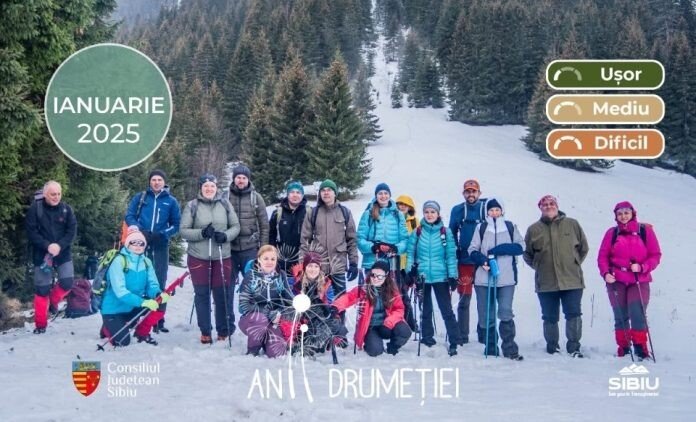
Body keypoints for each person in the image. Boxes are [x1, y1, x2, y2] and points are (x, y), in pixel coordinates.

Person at [524, 195, 589, 357]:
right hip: (546, 281)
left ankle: (574, 347)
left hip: (571, 280)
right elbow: (527, 254)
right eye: (544, 204)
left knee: (573, 313)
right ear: (540, 208)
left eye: (551, 203)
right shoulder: (533, 229)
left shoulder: (572, 224)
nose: (548, 206)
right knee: (549, 316)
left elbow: (583, 248)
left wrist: (574, 262)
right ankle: (552, 347)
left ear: (557, 205)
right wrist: (538, 266)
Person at [180, 174, 241, 344]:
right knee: (202, 294)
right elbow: (183, 230)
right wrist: (201, 233)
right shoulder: (192, 205)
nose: (209, 189)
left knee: (221, 294)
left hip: (221, 255)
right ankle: (205, 330)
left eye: (212, 186)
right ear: (200, 188)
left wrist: (226, 236)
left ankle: (223, 330)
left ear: (216, 188)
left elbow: (236, 226)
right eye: (206, 186)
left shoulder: (225, 204)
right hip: (199, 256)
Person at [597, 201, 661, 359]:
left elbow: (655, 255)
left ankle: (641, 348)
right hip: (616, 279)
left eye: (626, 213)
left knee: (637, 313)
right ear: (616, 216)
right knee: (620, 314)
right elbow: (602, 256)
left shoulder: (645, 231)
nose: (623, 216)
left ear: (633, 213)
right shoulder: (612, 233)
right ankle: (624, 348)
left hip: (639, 279)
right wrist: (605, 273)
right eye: (619, 214)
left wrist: (643, 267)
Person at [468, 198, 525, 360]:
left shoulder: (510, 226)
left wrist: (500, 249)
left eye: (497, 210)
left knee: (505, 311)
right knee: (487, 314)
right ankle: (491, 346)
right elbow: (472, 249)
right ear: (487, 211)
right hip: (483, 278)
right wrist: (482, 260)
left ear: (502, 211)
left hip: (506, 278)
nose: (494, 213)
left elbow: (521, 247)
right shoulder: (481, 227)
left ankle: (510, 348)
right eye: (491, 210)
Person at [124, 169, 180, 333]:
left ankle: (157, 319)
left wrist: (162, 234)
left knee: (159, 281)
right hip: (140, 243)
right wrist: (139, 230)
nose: (156, 182)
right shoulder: (141, 197)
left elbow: (176, 224)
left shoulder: (171, 201)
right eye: (154, 180)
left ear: (164, 182)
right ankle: (134, 316)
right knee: (137, 279)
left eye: (159, 180)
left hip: (160, 244)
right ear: (150, 181)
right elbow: (129, 216)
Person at [407, 200, 460, 355]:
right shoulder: (417, 232)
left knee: (446, 310)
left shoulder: (445, 232)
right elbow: (410, 253)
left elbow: (450, 255)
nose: (429, 215)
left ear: (438, 214)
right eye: (427, 212)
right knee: (425, 309)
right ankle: (427, 337)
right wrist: (410, 271)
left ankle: (454, 339)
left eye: (432, 212)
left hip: (440, 277)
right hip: (422, 276)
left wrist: (452, 275)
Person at [100, 228, 169, 346]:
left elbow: (152, 285)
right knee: (122, 342)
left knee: (160, 303)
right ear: (128, 244)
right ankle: (107, 327)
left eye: (141, 243)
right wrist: (143, 302)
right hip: (113, 309)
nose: (138, 246)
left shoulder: (146, 262)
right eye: (134, 243)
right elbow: (120, 291)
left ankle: (141, 333)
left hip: (132, 307)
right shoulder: (119, 261)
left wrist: (157, 294)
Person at [25, 181, 77, 334]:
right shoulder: (35, 209)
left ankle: (53, 302)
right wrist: (47, 246)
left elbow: (71, 231)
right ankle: (41, 325)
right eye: (53, 194)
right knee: (42, 289)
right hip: (42, 252)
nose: (56, 197)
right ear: (45, 194)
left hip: (63, 251)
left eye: (59, 194)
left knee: (67, 283)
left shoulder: (67, 209)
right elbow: (31, 232)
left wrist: (59, 246)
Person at [332, 260, 412, 356]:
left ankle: (393, 346)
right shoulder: (363, 290)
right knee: (375, 351)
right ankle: (371, 342)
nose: (375, 278)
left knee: (404, 331)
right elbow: (348, 297)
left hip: (387, 326)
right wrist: (336, 306)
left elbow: (399, 309)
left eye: (380, 276)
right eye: (373, 275)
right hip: (371, 327)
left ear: (386, 276)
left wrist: (389, 322)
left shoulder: (392, 291)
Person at [300, 179, 358, 297]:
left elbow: (351, 240)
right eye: (323, 190)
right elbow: (305, 240)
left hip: (338, 265)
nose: (326, 193)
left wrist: (353, 263)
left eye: (329, 190)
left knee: (340, 300)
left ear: (335, 193)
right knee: (318, 299)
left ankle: (339, 311)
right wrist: (302, 264)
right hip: (318, 267)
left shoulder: (344, 212)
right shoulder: (313, 213)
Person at [238, 245, 294, 357]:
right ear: (259, 259)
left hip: (273, 321)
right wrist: (267, 313)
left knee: (277, 353)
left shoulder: (281, 275)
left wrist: (280, 312)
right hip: (252, 320)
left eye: (273, 259)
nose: (269, 262)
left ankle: (265, 340)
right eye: (266, 258)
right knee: (261, 320)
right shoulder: (250, 276)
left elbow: (288, 299)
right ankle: (252, 350)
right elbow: (244, 304)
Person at [449, 179, 486, 345]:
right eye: (468, 191)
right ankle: (463, 335)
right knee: (464, 299)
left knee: (483, 299)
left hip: (482, 262)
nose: (471, 194)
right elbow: (451, 232)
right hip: (464, 261)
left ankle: (483, 333)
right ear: (463, 193)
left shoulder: (485, 208)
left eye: (474, 191)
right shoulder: (457, 210)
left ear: (479, 193)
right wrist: (454, 251)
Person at [291, 252, 347, 355]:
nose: (313, 269)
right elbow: (290, 303)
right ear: (305, 267)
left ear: (320, 268)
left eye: (316, 266)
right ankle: (302, 342)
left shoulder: (326, 283)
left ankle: (329, 339)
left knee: (333, 324)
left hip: (320, 318)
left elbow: (330, 302)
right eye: (310, 266)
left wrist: (328, 308)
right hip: (303, 319)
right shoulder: (296, 282)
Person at [228, 164, 269, 284]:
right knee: (227, 285)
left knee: (252, 284)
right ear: (234, 178)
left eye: (244, 178)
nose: (241, 180)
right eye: (238, 177)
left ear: (248, 180)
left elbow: (264, 225)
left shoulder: (256, 198)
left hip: (250, 248)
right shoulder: (225, 197)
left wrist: (263, 248)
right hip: (229, 249)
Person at [269, 181, 309, 276]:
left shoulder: (309, 212)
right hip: (282, 260)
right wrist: (272, 255)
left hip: (302, 258)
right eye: (292, 192)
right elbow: (271, 235)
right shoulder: (277, 213)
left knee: (300, 285)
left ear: (302, 195)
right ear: (287, 194)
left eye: (298, 192)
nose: (295, 195)